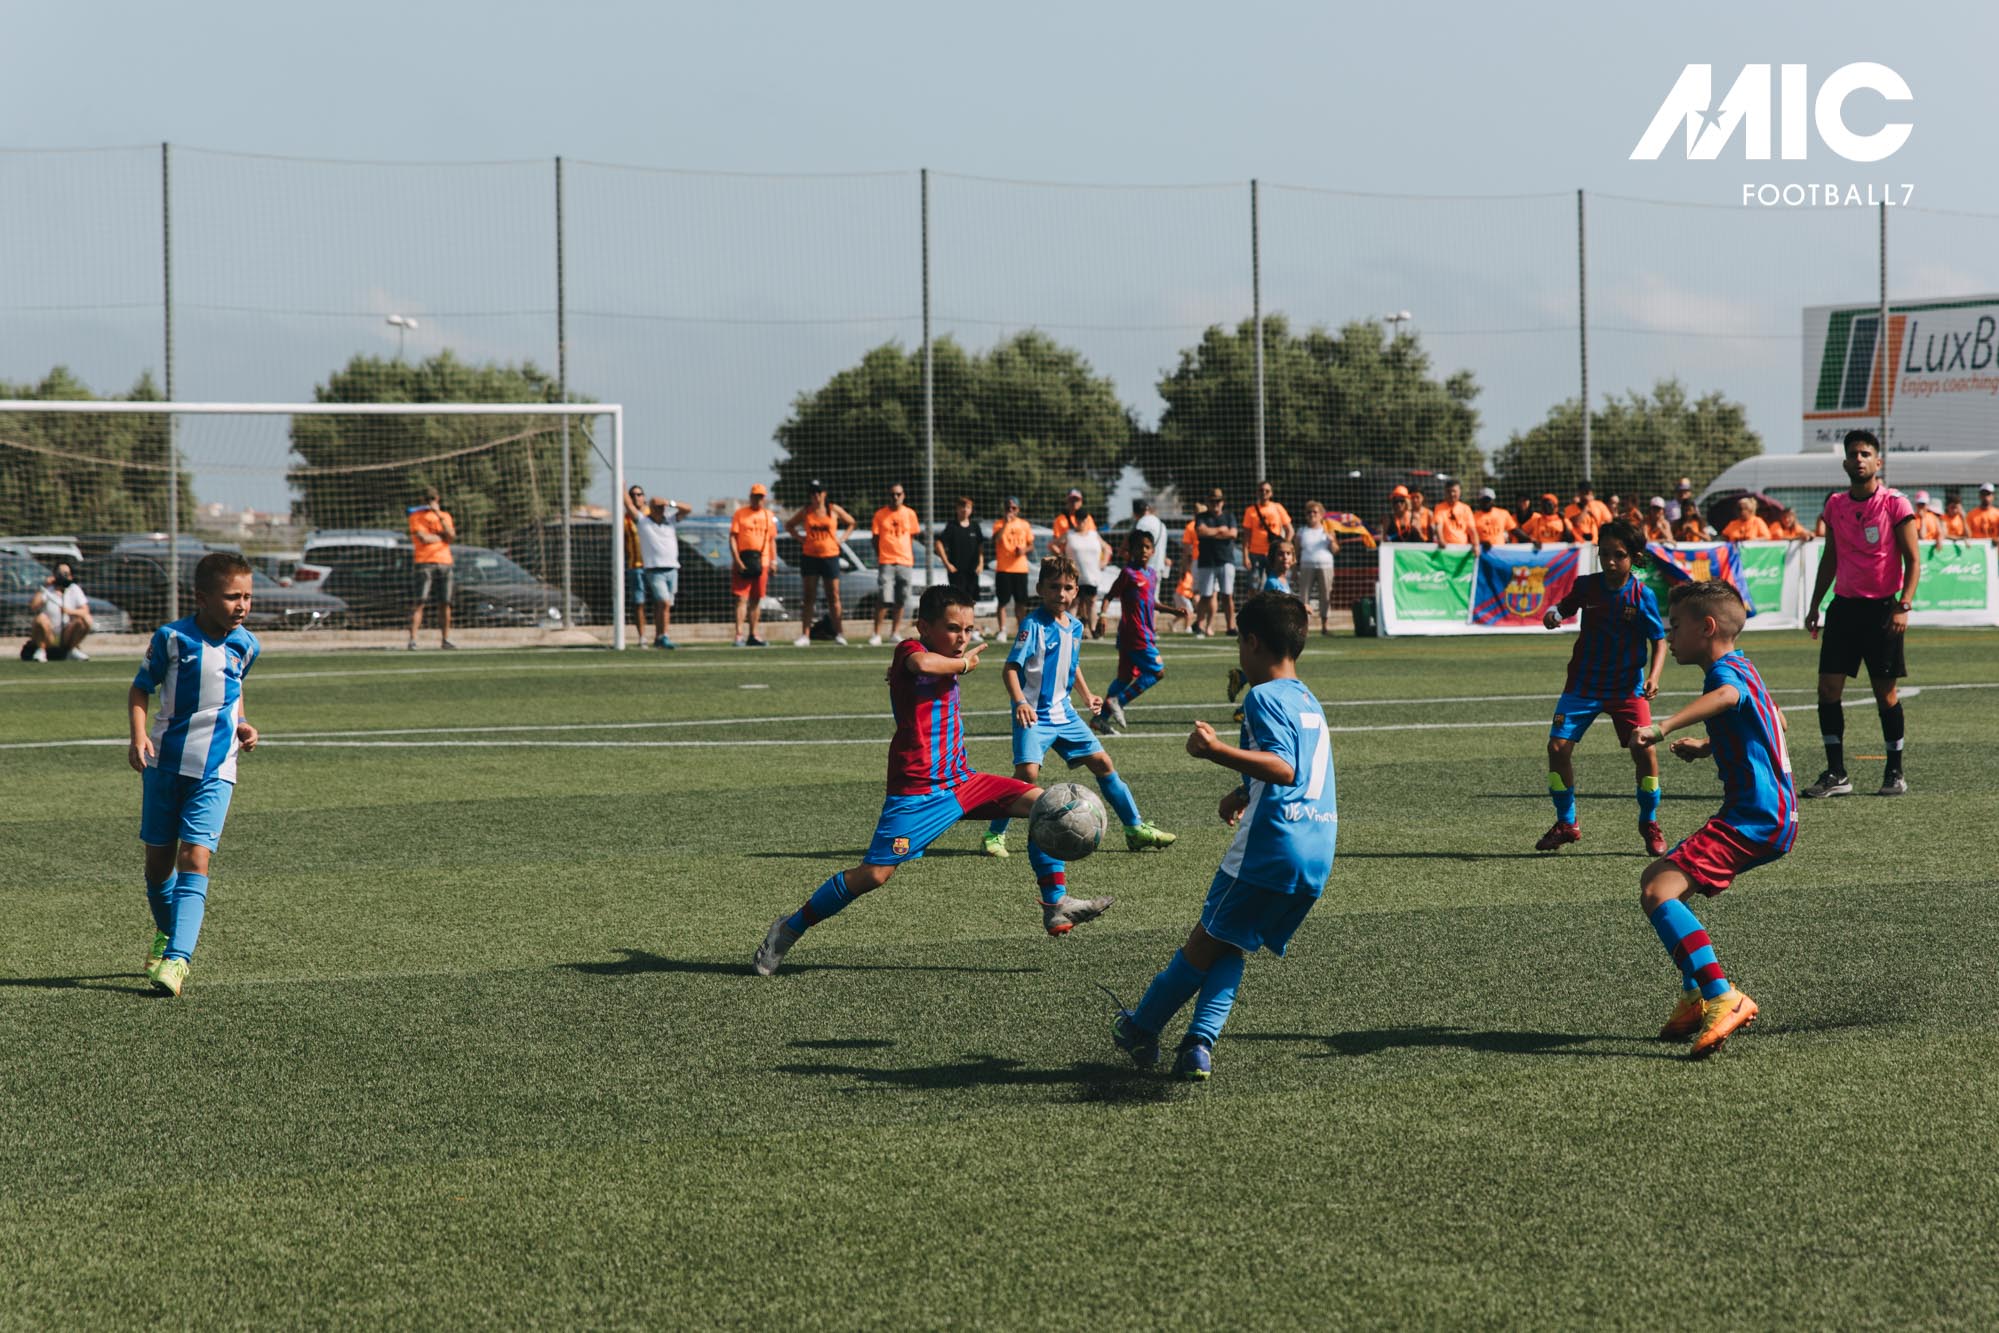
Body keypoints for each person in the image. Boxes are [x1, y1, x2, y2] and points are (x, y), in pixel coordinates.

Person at [750, 583, 1114, 976]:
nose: (962, 638)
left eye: (969, 629)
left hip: (962, 781)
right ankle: (789, 929)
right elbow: (921, 664)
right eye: (953, 628)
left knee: (1047, 805)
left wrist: (955, 664)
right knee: (874, 875)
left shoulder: (945, 659)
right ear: (924, 627)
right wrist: (963, 665)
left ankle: (1056, 903)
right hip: (917, 793)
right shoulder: (910, 650)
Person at [1109, 593, 1337, 1082]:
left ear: (1252, 642)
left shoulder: (1262, 696)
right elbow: (1301, 769)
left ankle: (1141, 1026)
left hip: (1270, 848)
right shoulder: (1307, 698)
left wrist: (1216, 751)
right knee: (1232, 944)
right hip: (1316, 849)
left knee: (1204, 941)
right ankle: (1198, 1045)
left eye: (1238, 643)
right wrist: (1241, 792)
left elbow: (1285, 767)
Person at [1627, 580, 1796, 1059]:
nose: (1669, 635)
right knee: (1660, 882)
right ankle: (1694, 995)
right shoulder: (1745, 666)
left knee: (1657, 892)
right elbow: (1775, 721)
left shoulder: (1725, 674)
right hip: (1770, 815)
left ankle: (1721, 995)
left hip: (1754, 816)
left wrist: (1663, 727)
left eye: (1676, 626)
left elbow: (1726, 697)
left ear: (1706, 627)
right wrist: (1709, 745)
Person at [127, 551, 262, 998]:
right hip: (164, 766)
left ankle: (178, 960)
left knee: (195, 858)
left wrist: (243, 723)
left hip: (215, 770)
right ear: (202, 598)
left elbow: (234, 689)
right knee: (157, 867)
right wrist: (138, 737)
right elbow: (140, 689)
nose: (242, 605)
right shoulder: (171, 639)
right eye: (232, 597)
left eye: (247, 597)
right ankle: (167, 933)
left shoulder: (247, 644)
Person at [983, 555, 1177, 858]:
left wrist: (1087, 696)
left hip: (1065, 714)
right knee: (1026, 775)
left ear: (1076, 591)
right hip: (1034, 714)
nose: (1060, 594)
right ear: (1040, 589)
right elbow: (1010, 669)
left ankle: (1135, 829)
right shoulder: (1032, 625)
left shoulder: (1074, 626)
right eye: (1053, 587)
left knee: (1103, 764)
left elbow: (1072, 665)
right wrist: (1020, 702)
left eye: (1067, 588)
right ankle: (994, 834)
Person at [1534, 519, 1670, 856]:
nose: (1610, 561)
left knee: (1645, 750)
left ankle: (1649, 821)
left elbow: (1659, 640)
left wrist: (1654, 676)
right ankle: (1567, 822)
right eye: (1604, 553)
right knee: (1557, 748)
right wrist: (1552, 615)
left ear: (1634, 557)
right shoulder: (1586, 586)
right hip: (1583, 686)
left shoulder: (1642, 595)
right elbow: (1562, 608)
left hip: (1627, 689)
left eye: (1618, 555)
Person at [1802, 429, 1921, 799]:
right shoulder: (1835, 505)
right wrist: (1815, 605)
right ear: (1844, 462)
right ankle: (1836, 773)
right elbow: (1830, 558)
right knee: (1827, 689)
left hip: (1883, 610)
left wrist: (1903, 605)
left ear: (1877, 462)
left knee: (1885, 693)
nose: (1859, 459)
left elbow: (1913, 560)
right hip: (1843, 609)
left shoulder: (1895, 504)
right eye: (1853, 454)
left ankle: (1895, 771)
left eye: (1865, 454)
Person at [1094, 529, 1182, 732]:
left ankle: (1100, 719)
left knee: (1124, 678)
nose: (1143, 550)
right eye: (1139, 547)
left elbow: (1150, 602)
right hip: (1136, 634)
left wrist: (1173, 610)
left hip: (1138, 634)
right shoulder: (1128, 573)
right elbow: (1109, 596)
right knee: (1157, 672)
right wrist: (1103, 616)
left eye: (1147, 547)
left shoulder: (1151, 575)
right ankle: (1119, 701)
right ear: (1131, 550)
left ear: (1153, 551)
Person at [786, 480, 856, 648]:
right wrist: (800, 538)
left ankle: (839, 633)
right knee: (809, 596)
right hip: (810, 557)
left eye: (819, 492)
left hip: (830, 556)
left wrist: (841, 539)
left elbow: (851, 522)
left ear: (824, 493)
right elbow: (789, 525)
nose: (816, 496)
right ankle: (805, 635)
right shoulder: (806, 511)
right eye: (813, 493)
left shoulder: (833, 509)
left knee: (833, 596)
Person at [623, 487, 692, 650]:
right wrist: (622, 486)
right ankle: (662, 636)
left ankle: (660, 636)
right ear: (651, 508)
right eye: (658, 507)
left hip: (672, 568)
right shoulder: (643, 521)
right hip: (654, 569)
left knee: (665, 605)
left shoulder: (670, 520)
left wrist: (669, 503)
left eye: (662, 507)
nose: (661, 510)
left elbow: (688, 508)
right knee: (663, 602)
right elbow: (629, 505)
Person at [868, 483, 921, 646]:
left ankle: (894, 633)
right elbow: (875, 538)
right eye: (892, 494)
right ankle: (876, 634)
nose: (895, 497)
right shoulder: (880, 514)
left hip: (905, 561)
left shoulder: (910, 514)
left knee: (901, 598)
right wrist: (882, 555)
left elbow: (911, 536)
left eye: (898, 494)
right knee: (884, 598)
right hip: (887, 561)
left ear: (903, 495)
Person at [407, 485, 457, 650]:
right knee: (420, 601)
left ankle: (446, 639)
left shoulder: (445, 516)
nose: (430, 502)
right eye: (428, 500)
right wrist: (441, 537)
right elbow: (424, 538)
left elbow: (451, 536)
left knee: (445, 602)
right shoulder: (416, 516)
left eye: (432, 499)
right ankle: (413, 640)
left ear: (437, 500)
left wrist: (439, 517)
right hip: (424, 562)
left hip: (444, 562)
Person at [730, 483, 777, 648]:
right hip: (744, 560)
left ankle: (754, 634)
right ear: (750, 497)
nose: (758, 500)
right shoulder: (740, 514)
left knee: (756, 599)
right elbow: (733, 538)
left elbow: (771, 540)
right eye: (755, 496)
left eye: (761, 497)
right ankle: (739, 635)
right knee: (741, 598)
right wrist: (737, 560)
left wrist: (773, 561)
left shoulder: (769, 515)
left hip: (762, 562)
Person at [933, 495, 985, 638]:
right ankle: (958, 629)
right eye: (962, 507)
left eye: (967, 507)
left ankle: (971, 630)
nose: (964, 510)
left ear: (971, 509)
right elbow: (938, 544)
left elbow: (980, 546)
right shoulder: (952, 526)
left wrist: (981, 563)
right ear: (957, 509)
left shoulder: (975, 526)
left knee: (971, 602)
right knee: (957, 603)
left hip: (972, 572)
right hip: (957, 572)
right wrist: (947, 564)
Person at [21, 561, 92, 662]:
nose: (63, 577)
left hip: (66, 634)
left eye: (66, 574)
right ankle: (41, 650)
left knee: (86, 620)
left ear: (71, 576)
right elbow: (33, 606)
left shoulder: (74, 589)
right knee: (40, 618)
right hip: (50, 635)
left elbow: (85, 611)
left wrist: (69, 611)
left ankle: (71, 650)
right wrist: (44, 586)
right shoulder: (48, 589)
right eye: (60, 574)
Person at [1195, 487, 1240, 637]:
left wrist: (1211, 533)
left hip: (1226, 560)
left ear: (1223, 502)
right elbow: (1201, 532)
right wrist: (1220, 530)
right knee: (1206, 595)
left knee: (1227, 595)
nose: (1215, 504)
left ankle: (1231, 626)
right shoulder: (1201, 517)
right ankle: (1200, 625)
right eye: (1212, 501)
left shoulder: (1229, 516)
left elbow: (1233, 534)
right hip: (1207, 561)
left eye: (1218, 501)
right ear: (1208, 502)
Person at [991, 496, 1035, 640]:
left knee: (1020, 602)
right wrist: (1006, 523)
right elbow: (997, 539)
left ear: (1018, 509)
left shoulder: (1024, 524)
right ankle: (1002, 630)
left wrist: (1024, 550)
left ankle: (1022, 631)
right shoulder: (998, 523)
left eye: (1013, 508)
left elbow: (1031, 545)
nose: (1010, 510)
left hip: (1020, 569)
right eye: (1008, 508)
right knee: (1002, 601)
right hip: (1004, 569)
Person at [1295, 500, 1340, 635]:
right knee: (1304, 596)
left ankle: (1324, 626)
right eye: (1309, 512)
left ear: (1321, 514)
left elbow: (1335, 550)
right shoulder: (1301, 531)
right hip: (1306, 566)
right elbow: (1296, 551)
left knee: (1325, 595)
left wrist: (1332, 541)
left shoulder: (1328, 530)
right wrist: (1294, 568)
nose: (1312, 514)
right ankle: (1304, 627)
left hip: (1325, 566)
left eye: (1315, 512)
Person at [1242, 480, 1293, 591]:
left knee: (1276, 582)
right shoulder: (1250, 511)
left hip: (1274, 553)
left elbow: (1290, 530)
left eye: (1267, 491)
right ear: (1257, 492)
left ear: (1271, 493)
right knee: (1253, 586)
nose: (1264, 493)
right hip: (1255, 553)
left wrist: (1285, 547)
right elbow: (1246, 536)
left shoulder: (1278, 508)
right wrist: (1245, 556)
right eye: (1261, 490)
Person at [621, 484, 648, 637]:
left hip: (654, 565)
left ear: (644, 497)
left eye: (639, 494)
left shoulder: (652, 515)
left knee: (661, 602)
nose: (636, 497)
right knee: (639, 603)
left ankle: (661, 635)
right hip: (636, 566)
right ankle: (642, 637)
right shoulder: (625, 519)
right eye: (632, 495)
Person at [1131, 497, 1168, 590]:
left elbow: (1137, 544)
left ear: (1135, 513)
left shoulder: (1141, 523)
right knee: (1153, 597)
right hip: (1158, 568)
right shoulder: (1161, 524)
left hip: (1144, 569)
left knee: (1141, 596)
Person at [1430, 479, 1477, 548]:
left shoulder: (1466, 508)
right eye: (1449, 491)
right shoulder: (1439, 508)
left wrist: (1476, 545)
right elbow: (1438, 527)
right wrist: (1441, 540)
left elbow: (1472, 529)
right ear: (1445, 492)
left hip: (1463, 548)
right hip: (1446, 548)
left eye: (1454, 491)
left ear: (1459, 492)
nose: (1452, 494)